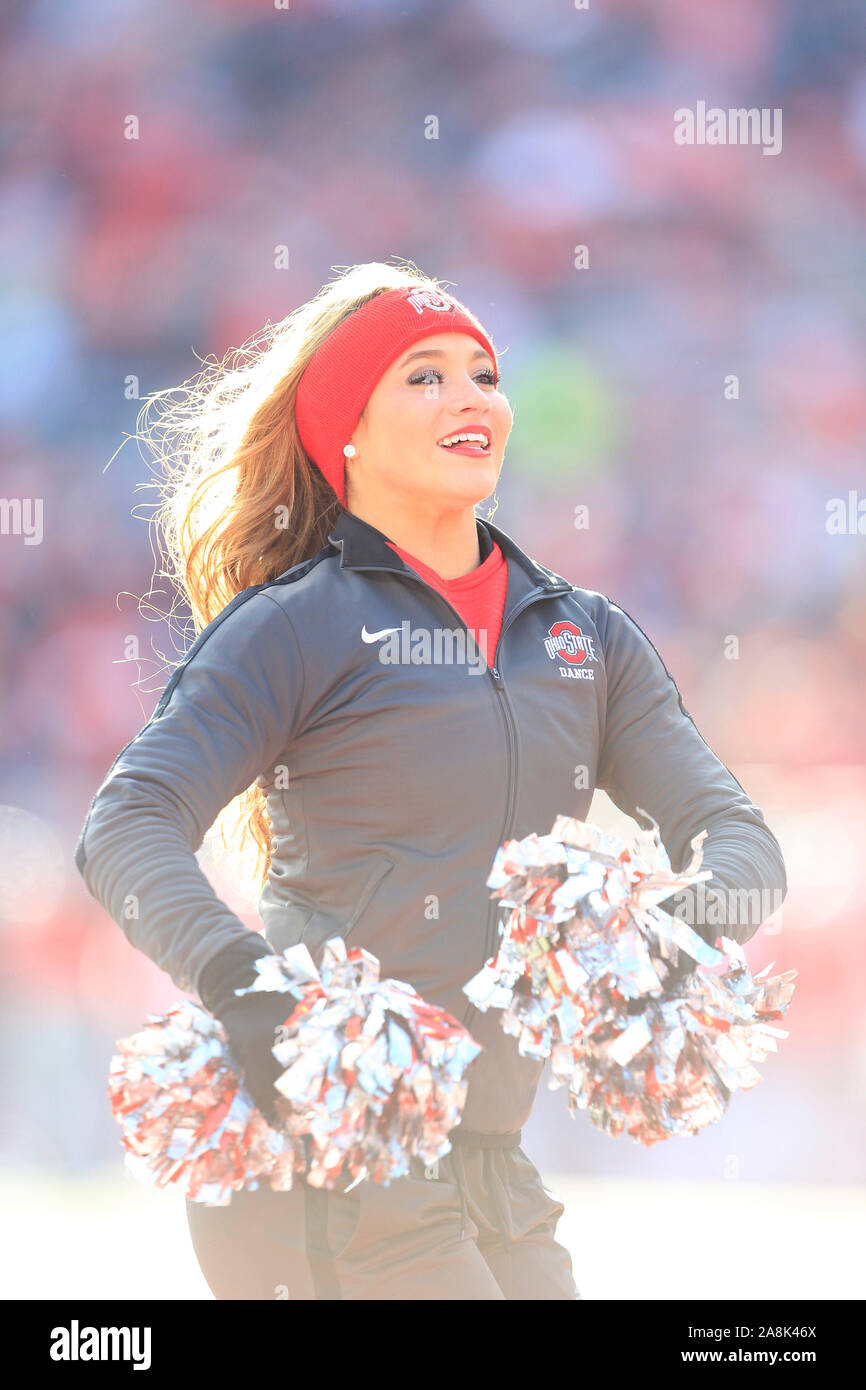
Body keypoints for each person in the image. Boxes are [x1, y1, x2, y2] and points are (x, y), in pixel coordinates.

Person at [74, 261, 787, 1300]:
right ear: (344, 430)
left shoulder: (584, 636)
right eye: (423, 376)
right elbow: (126, 823)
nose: (471, 398)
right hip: (327, 1148)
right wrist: (249, 996)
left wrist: (654, 944)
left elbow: (740, 845)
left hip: (490, 1162)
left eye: (483, 374)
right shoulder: (297, 624)